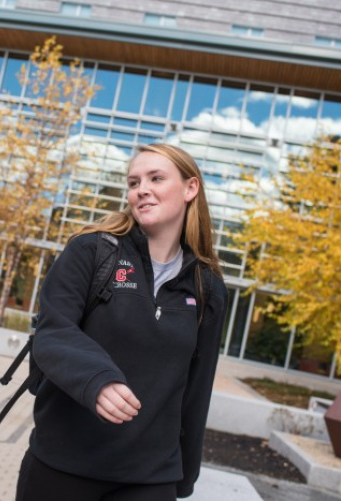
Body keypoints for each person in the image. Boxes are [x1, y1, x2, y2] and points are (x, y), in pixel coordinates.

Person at [17, 143, 228, 501]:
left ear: (191, 188)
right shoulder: (90, 251)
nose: (141, 189)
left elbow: (196, 388)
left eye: (156, 178)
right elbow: (53, 332)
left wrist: (185, 476)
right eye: (134, 182)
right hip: (63, 465)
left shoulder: (207, 287)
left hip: (149, 479)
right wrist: (97, 380)